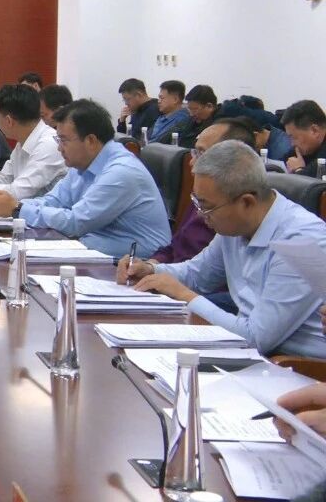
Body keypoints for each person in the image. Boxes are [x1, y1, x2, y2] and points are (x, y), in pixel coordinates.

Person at [120, 141, 326, 358]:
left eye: (206, 206)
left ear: (246, 202)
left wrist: (183, 295)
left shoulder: (300, 239)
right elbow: (198, 275)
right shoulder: (236, 226)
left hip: (297, 366)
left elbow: (256, 338)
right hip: (253, 353)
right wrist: (151, 271)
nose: (200, 215)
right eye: (197, 203)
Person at [2, 99, 170, 257]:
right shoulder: (82, 163)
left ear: (90, 140)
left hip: (136, 261)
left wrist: (18, 209)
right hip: (94, 247)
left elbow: (75, 222)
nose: (59, 148)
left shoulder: (121, 172)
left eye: (63, 140)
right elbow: (53, 201)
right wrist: (16, 205)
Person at [147, 118, 259, 270]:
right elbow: (176, 249)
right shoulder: (203, 195)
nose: (191, 162)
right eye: (194, 152)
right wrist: (150, 267)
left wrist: (162, 276)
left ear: (233, 160)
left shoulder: (235, 210)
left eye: (201, 153)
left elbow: (207, 277)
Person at [281, 100, 326, 177]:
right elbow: (284, 161)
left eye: (294, 137)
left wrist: (298, 170)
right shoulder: (303, 148)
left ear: (314, 130)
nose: (292, 143)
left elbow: (317, 179)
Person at [177, 84, 218, 148]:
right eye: (189, 109)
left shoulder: (219, 128)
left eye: (195, 109)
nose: (191, 114)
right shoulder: (189, 121)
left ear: (209, 106)